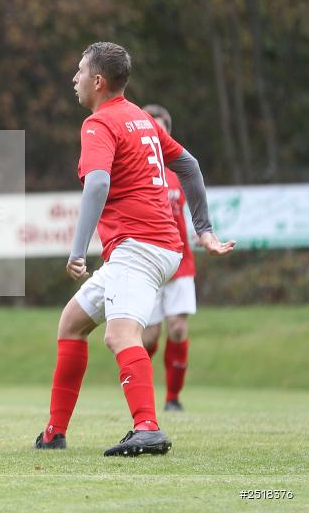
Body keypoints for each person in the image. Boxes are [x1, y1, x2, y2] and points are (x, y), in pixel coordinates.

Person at [35, 42, 234, 456]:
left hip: (137, 246)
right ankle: (54, 433)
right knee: (72, 321)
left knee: (120, 334)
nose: (74, 79)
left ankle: (148, 428)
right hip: (157, 246)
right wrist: (205, 230)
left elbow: (98, 183)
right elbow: (190, 166)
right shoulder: (141, 118)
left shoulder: (99, 124)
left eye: (78, 71)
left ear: (97, 80)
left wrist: (76, 250)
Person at [141, 104, 196, 412]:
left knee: (177, 328)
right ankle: (141, 396)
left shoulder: (179, 170)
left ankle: (173, 398)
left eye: (162, 129)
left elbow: (197, 201)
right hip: (149, 264)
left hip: (180, 262)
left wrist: (204, 230)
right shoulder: (136, 171)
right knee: (149, 337)